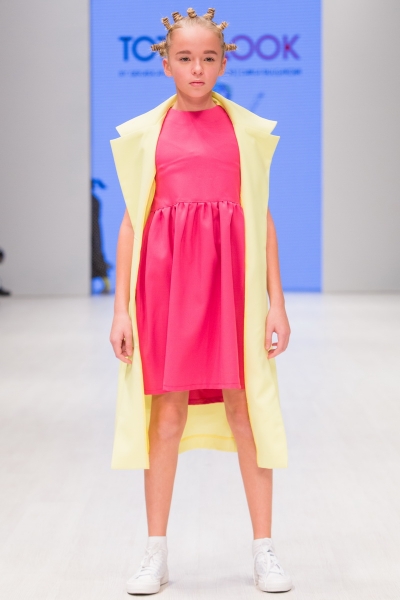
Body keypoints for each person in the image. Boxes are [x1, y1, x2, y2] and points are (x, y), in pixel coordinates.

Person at [109, 7, 292, 595]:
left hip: (233, 288)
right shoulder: (147, 134)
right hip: (166, 290)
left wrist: (277, 302)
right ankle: (154, 551)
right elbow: (132, 222)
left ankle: (264, 549)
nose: (197, 68)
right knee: (167, 413)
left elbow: (262, 217)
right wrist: (120, 309)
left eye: (208, 57)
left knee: (246, 410)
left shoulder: (245, 133)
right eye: (184, 58)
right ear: (165, 64)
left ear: (223, 62)